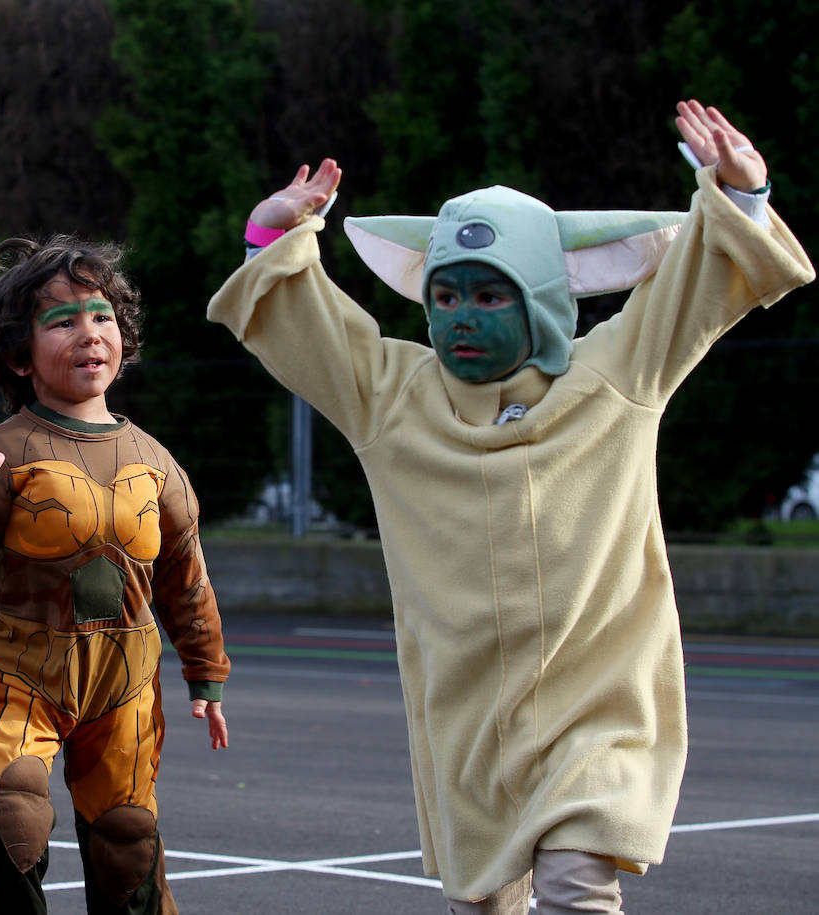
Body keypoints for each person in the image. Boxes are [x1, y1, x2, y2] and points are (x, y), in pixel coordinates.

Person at [206, 100, 814, 914]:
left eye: (492, 295)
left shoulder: (612, 377)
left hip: (597, 700)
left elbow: (698, 292)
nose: (462, 315)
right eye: (447, 295)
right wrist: (269, 236)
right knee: (483, 902)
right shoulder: (395, 398)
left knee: (575, 884)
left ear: (545, 302)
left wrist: (742, 194)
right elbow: (308, 328)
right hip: (468, 716)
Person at [0, 235, 231, 915]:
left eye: (101, 316)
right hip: (25, 672)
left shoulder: (155, 460)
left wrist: (206, 674)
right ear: (18, 356)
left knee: (127, 838)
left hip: (125, 680)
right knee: (14, 815)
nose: (89, 333)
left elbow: (185, 574)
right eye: (62, 321)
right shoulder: (3, 449)